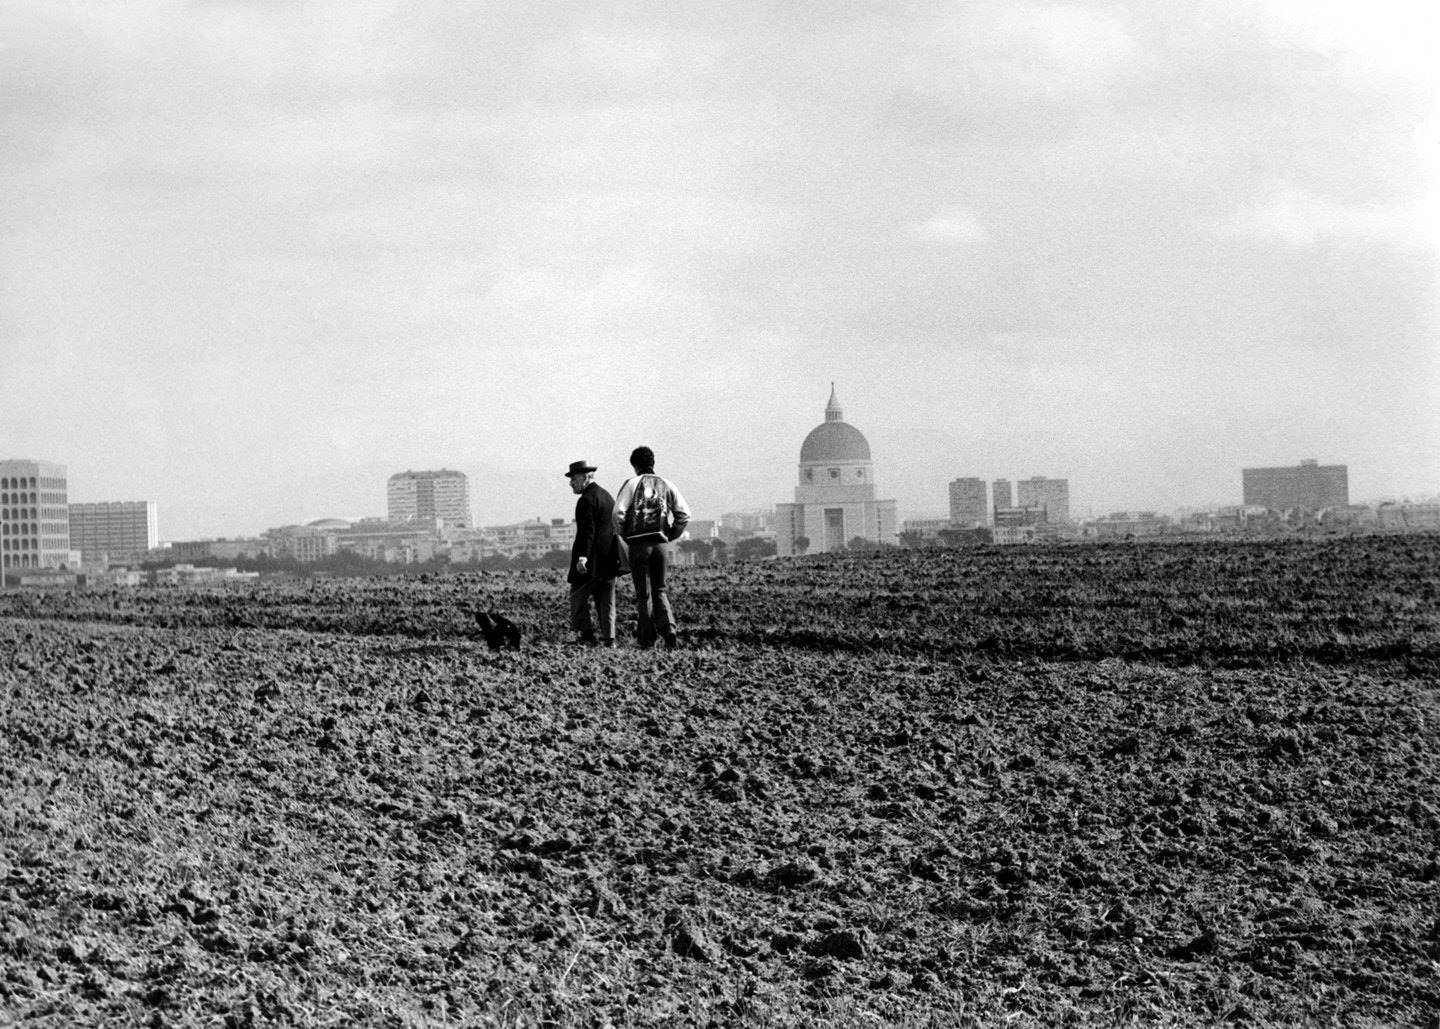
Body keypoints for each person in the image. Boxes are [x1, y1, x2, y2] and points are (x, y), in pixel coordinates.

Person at [613, 446, 690, 649]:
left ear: (635, 465)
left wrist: (624, 534)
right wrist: (672, 533)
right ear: (653, 463)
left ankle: (647, 638)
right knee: (660, 589)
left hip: (638, 545)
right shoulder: (667, 484)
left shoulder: (631, 484)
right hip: (660, 544)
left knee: (642, 593)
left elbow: (617, 514)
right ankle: (669, 629)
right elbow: (684, 514)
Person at [565, 460, 621, 647]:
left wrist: (582, 558)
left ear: (586, 477)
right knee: (606, 600)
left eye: (574, 478)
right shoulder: (607, 497)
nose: (571, 483)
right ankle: (609, 638)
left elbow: (586, 532)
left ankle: (586, 634)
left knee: (577, 597)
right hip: (609, 559)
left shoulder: (585, 501)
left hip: (590, 561)